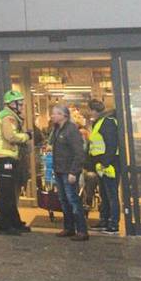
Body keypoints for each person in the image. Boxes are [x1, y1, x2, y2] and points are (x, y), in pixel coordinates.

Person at [0, 89, 32, 235]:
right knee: (6, 194)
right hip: (4, 160)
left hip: (8, 159)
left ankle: (15, 222)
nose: (21, 105)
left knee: (10, 193)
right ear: (11, 104)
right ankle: (5, 225)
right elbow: (10, 136)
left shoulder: (11, 116)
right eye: (19, 103)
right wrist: (26, 136)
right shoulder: (8, 117)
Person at [47, 103, 88, 241]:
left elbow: (79, 152)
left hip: (68, 171)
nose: (52, 116)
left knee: (73, 200)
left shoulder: (71, 130)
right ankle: (69, 227)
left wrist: (74, 172)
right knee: (64, 200)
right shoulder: (57, 129)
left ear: (63, 115)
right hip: (59, 170)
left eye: (55, 113)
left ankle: (82, 230)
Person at [83, 99, 120, 233]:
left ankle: (113, 223)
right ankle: (104, 220)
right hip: (102, 165)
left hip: (109, 164)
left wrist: (104, 163)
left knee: (111, 194)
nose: (88, 112)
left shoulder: (107, 123)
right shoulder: (100, 123)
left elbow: (111, 144)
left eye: (89, 110)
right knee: (105, 194)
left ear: (94, 110)